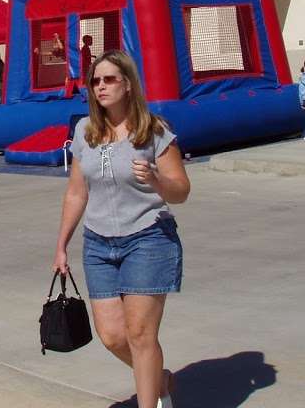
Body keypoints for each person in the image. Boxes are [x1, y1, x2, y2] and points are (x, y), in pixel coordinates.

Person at [53, 50, 191, 408]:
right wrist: (61, 245)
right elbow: (76, 192)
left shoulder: (154, 131)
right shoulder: (86, 130)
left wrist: (158, 180)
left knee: (141, 334)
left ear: (128, 84)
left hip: (148, 238)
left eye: (109, 79)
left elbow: (181, 191)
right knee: (113, 336)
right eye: (96, 81)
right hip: (98, 244)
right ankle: (158, 379)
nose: (101, 86)